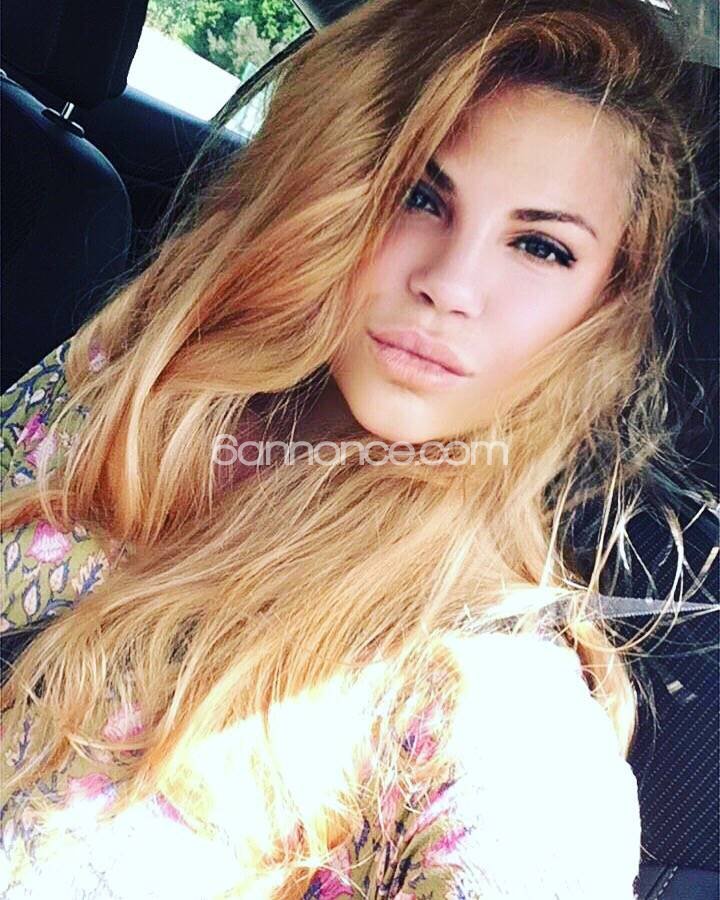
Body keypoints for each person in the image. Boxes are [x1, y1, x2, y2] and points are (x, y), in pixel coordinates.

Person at [0, 0, 716, 896]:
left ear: (607, 304)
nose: (449, 285)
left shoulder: (495, 713)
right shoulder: (137, 382)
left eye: (540, 246)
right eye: (420, 196)